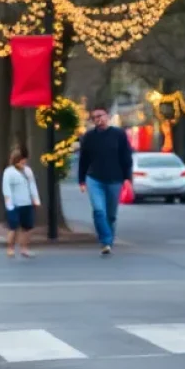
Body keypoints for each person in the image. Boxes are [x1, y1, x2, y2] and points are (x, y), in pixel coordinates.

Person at [78, 103, 133, 256]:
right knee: (98, 210)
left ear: (107, 117)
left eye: (100, 116)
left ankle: (108, 239)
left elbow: (126, 157)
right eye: (94, 117)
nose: (98, 119)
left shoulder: (119, 134)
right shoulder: (89, 137)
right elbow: (84, 160)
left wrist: (127, 178)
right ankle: (106, 241)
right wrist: (81, 180)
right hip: (94, 179)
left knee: (111, 214)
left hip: (115, 179)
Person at [1, 146, 41, 258]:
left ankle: (24, 248)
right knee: (13, 228)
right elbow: (6, 189)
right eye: (22, 159)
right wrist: (9, 204)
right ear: (16, 160)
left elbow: (32, 186)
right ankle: (10, 248)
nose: (24, 161)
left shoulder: (28, 171)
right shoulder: (9, 172)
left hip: (27, 203)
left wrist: (36, 200)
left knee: (27, 228)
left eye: (25, 159)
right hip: (14, 204)